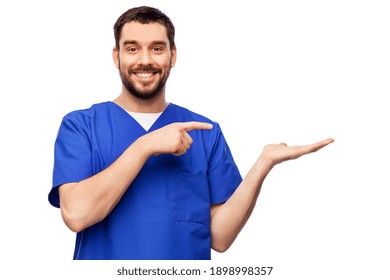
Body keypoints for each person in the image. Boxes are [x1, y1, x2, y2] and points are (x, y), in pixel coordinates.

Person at [48, 6, 333, 260]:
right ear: (116, 56)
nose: (144, 60)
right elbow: (76, 215)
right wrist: (145, 146)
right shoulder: (81, 125)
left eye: (157, 48)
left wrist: (263, 165)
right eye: (132, 49)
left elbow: (220, 239)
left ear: (172, 56)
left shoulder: (206, 132)